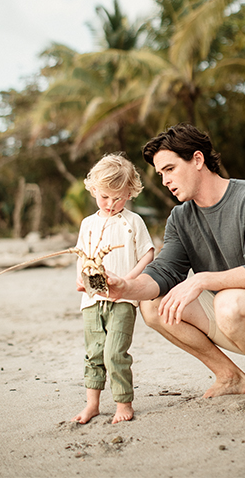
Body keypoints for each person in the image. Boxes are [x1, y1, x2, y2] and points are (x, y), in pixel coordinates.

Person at [106, 123, 245, 410]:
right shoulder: (180, 218)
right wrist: (125, 287)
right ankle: (229, 375)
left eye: (170, 169)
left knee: (228, 300)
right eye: (160, 174)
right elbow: (164, 272)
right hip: (233, 317)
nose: (165, 181)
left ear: (197, 159)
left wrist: (201, 280)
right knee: (153, 306)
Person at [72, 153, 154, 424]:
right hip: (92, 300)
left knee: (114, 352)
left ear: (130, 192)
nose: (111, 204)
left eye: (118, 197)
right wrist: (81, 279)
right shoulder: (87, 224)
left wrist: (129, 282)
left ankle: (123, 403)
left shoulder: (133, 222)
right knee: (94, 352)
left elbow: (148, 253)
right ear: (94, 189)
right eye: (105, 196)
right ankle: (92, 404)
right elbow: (82, 255)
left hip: (123, 300)